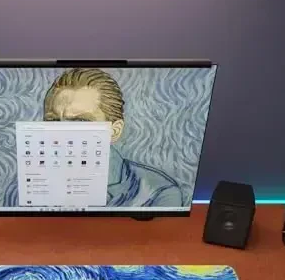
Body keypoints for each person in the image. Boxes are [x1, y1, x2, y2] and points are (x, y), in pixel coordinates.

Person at [42, 68, 183, 207]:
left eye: (81, 121)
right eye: (52, 121)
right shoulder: (35, 182)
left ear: (114, 131)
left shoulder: (157, 193)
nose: (62, 133)